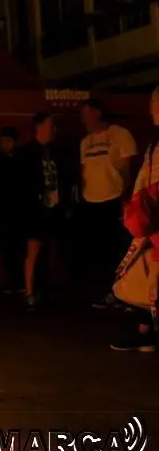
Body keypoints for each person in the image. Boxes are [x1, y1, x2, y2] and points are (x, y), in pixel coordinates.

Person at [111, 86, 159, 351]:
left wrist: (142, 208)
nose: (151, 107)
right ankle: (145, 332)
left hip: (153, 220)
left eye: (154, 101)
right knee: (144, 277)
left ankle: (147, 333)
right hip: (150, 221)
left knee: (150, 279)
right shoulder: (155, 141)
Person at [79, 99, 138, 309]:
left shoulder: (120, 135)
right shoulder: (85, 142)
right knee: (99, 250)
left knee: (118, 249)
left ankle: (124, 293)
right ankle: (107, 292)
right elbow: (84, 172)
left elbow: (128, 169)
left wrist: (125, 199)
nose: (83, 119)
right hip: (91, 201)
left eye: (86, 114)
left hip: (113, 199)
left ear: (97, 113)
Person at [21, 112, 72, 310]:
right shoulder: (28, 153)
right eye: (50, 126)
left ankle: (44, 288)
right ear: (40, 127)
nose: (54, 130)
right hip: (35, 210)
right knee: (33, 251)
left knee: (49, 250)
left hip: (53, 208)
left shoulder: (56, 151)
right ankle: (29, 291)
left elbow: (64, 178)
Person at [0, 127, 27, 293]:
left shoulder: (22, 161)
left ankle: (21, 281)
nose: (4, 144)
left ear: (14, 142)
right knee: (7, 249)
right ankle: (13, 281)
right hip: (4, 213)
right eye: (2, 141)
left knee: (20, 249)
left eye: (7, 141)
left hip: (19, 212)